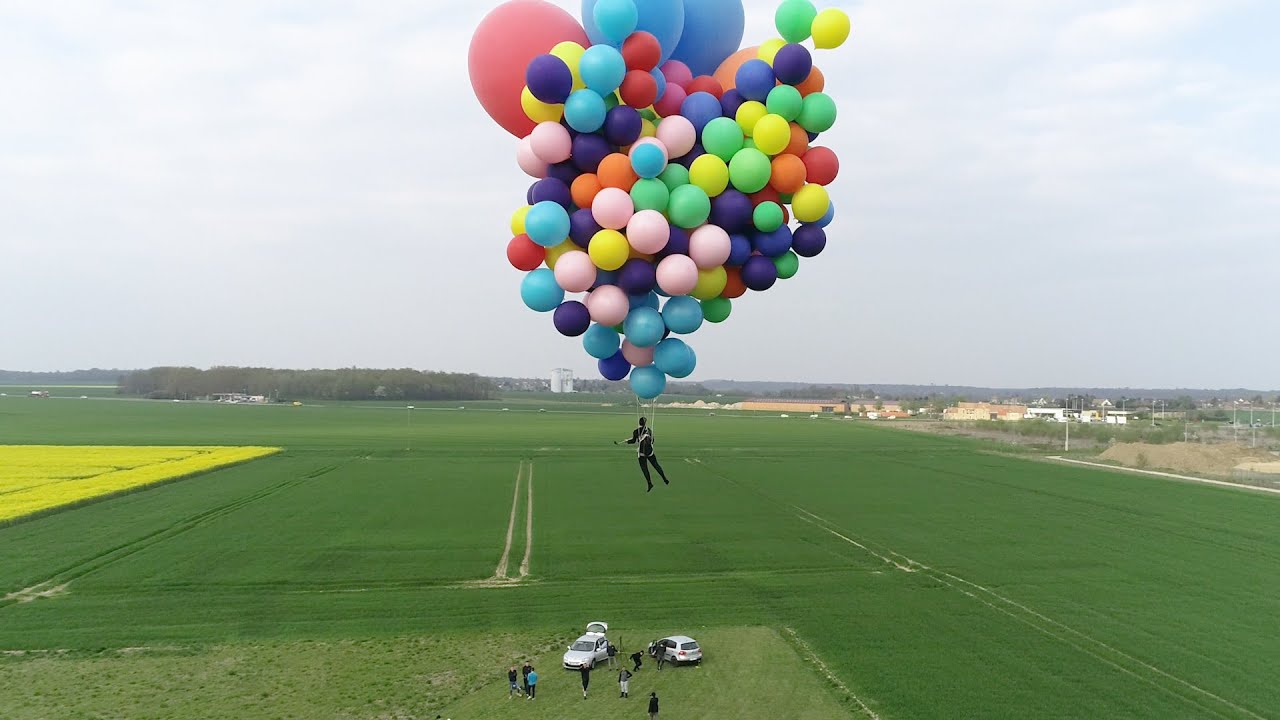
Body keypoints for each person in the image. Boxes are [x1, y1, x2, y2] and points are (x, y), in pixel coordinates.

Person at [615, 416, 669, 491]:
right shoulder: (649, 430)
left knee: (645, 469)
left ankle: (649, 483)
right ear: (645, 423)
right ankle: (664, 478)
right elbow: (652, 440)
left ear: (639, 423)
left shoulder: (636, 431)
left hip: (642, 453)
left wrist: (627, 441)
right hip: (650, 452)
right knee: (656, 465)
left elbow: (633, 441)